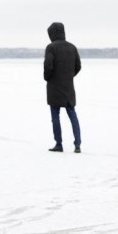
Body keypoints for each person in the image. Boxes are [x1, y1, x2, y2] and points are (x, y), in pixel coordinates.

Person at [44, 21, 82, 153]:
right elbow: (78, 66)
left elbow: (48, 67)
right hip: (68, 86)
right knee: (72, 114)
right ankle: (77, 145)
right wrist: (69, 76)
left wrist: (47, 77)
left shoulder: (51, 48)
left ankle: (58, 144)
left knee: (55, 116)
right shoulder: (72, 47)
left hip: (54, 87)